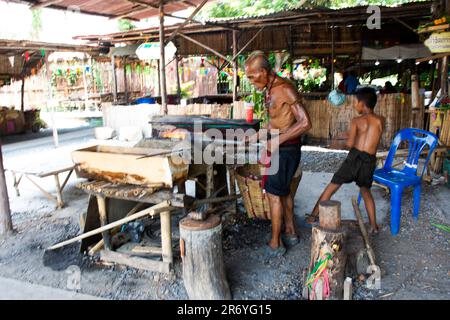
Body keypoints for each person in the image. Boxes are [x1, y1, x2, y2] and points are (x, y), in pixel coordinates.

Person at [244, 51, 312, 257]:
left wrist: (277, 142)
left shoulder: (284, 89)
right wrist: (255, 137)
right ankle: (290, 231)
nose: (250, 81)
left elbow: (306, 123)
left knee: (274, 195)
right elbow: (275, 122)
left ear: (263, 72)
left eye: (251, 76)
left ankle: (276, 242)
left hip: (286, 150)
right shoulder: (270, 88)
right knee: (284, 191)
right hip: (281, 147)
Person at [306, 87, 384, 233]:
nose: (355, 105)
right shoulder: (380, 120)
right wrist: (353, 134)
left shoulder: (356, 120)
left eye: (356, 102)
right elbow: (369, 135)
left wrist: (344, 138)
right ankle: (374, 225)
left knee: (331, 187)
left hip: (354, 158)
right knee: (366, 191)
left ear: (361, 103)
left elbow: (350, 144)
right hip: (369, 160)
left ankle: (312, 217)